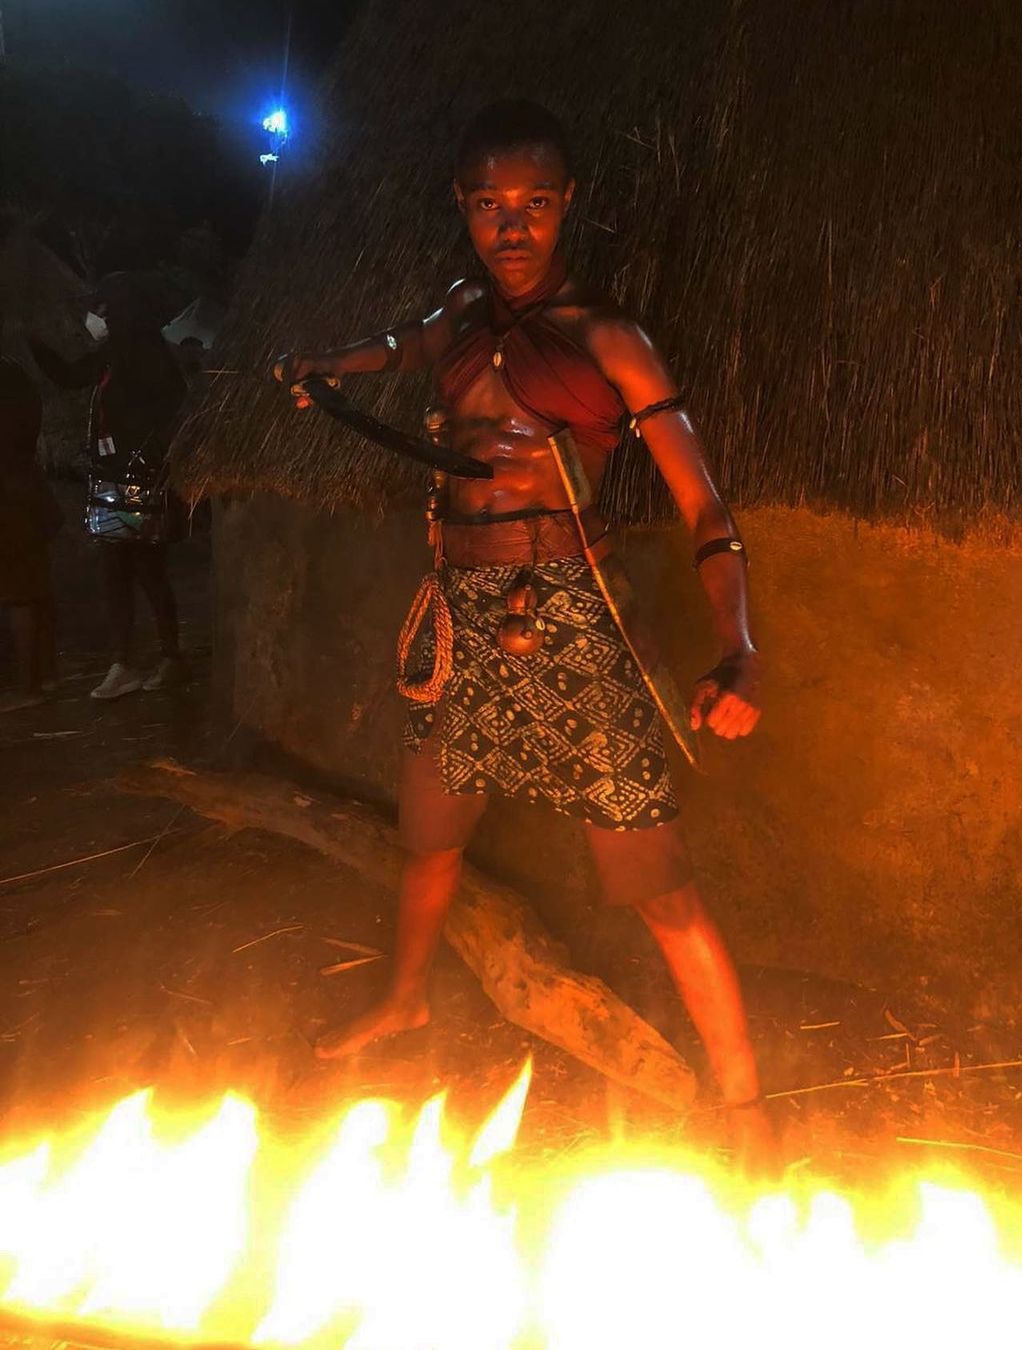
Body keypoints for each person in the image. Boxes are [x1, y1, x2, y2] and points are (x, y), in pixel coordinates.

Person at [277, 101, 770, 1154]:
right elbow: (405, 344)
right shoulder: (461, 312)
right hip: (461, 610)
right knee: (429, 838)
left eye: (535, 204)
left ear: (566, 205)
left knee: (656, 879)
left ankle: (745, 1100)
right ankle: (405, 999)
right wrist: (332, 365)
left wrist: (740, 650)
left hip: (568, 619)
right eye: (490, 206)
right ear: (462, 208)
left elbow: (706, 510)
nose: (513, 226)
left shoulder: (609, 340)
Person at [27, 274, 188, 699]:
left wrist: (141, 444)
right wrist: (35, 343)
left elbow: (172, 405)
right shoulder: (112, 353)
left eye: (104, 308)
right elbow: (69, 375)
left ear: (123, 309)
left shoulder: (149, 354)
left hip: (141, 480)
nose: (98, 316)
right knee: (113, 569)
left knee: (148, 568)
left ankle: (172, 657)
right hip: (110, 479)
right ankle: (123, 664)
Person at [0, 354, 60, 712]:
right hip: (29, 491)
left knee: (19, 594)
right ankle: (48, 674)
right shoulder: (16, 373)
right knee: (36, 589)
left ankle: (28, 687)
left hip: (10, 499)